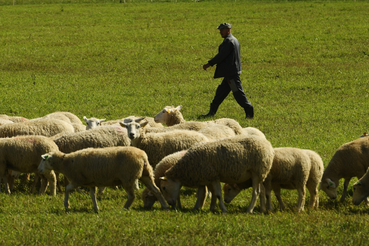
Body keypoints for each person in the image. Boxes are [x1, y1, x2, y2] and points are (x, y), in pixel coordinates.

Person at [202, 22, 254, 119]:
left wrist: (209, 64)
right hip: (228, 74)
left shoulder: (229, 41)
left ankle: (249, 113)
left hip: (231, 75)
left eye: (222, 30)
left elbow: (221, 56)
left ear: (228, 30)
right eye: (220, 30)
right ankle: (211, 113)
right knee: (220, 94)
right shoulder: (234, 40)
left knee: (238, 94)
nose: (220, 32)